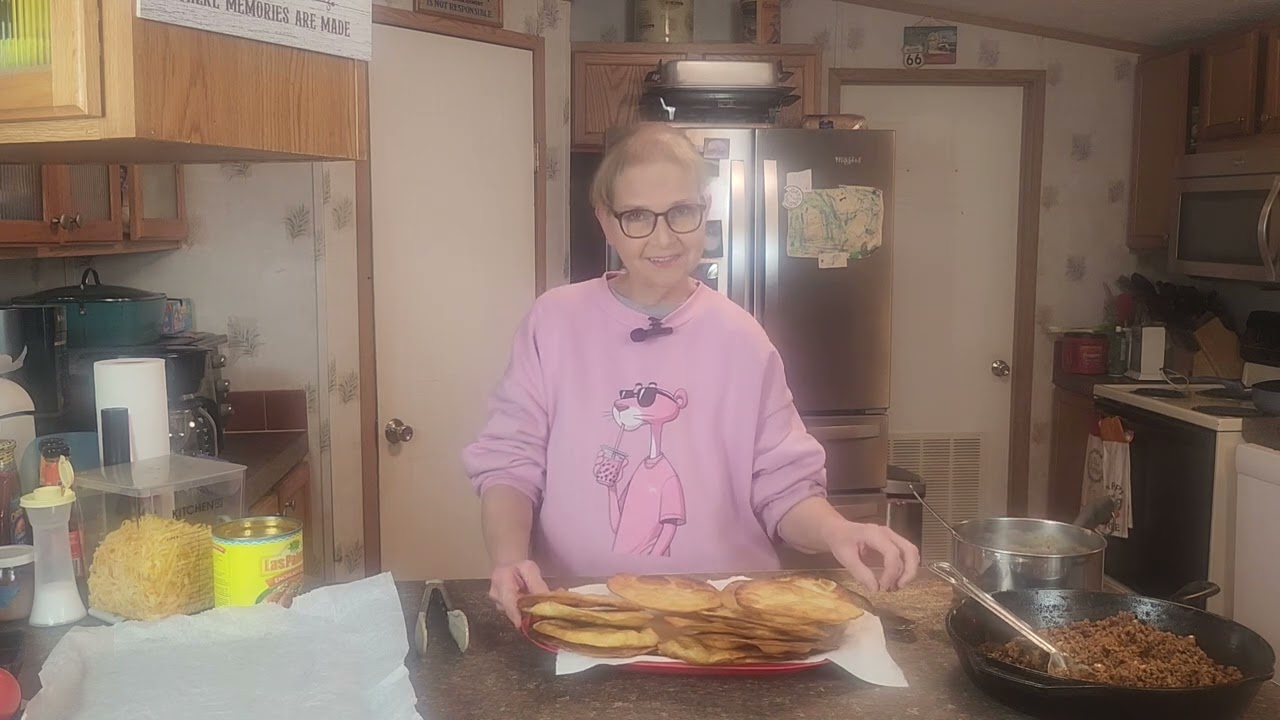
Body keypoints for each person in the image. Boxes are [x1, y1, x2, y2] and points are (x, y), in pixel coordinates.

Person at [464, 123, 920, 626]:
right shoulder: (552, 322)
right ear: (606, 222)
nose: (663, 237)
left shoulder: (742, 340)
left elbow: (785, 490)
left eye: (681, 212)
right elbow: (510, 464)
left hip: (725, 614)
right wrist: (509, 557)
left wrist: (839, 532)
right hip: (583, 606)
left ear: (705, 211)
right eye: (637, 216)